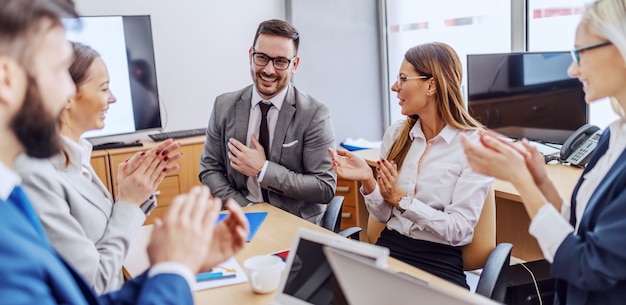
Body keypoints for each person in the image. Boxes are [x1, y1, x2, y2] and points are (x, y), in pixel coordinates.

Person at [0, 0, 249, 303]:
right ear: (7, 78)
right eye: (58, 70)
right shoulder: (21, 200)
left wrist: (180, 265)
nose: (66, 91)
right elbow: (94, 284)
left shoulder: (14, 199)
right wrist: (173, 267)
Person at [461, 0, 626, 303]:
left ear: (619, 45)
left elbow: (589, 265)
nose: (572, 68)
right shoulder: (611, 137)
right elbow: (580, 229)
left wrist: (520, 181)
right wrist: (541, 182)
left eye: (580, 53)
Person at [13, 42, 180, 293]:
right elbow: (93, 283)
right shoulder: (35, 175)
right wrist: (129, 204)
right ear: (67, 96)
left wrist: (130, 194)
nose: (112, 98)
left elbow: (98, 238)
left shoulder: (76, 154)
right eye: (104, 88)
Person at [328, 42, 493, 288]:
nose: (395, 87)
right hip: (390, 252)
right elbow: (383, 215)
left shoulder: (475, 146)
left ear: (431, 85)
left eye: (403, 79)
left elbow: (459, 230)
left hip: (439, 263)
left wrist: (402, 200)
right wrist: (369, 181)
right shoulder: (396, 135)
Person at [199, 19, 336, 225]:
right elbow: (209, 169)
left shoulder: (314, 114)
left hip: (294, 224)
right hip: (242, 218)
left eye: (280, 61)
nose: (269, 70)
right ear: (250, 56)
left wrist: (263, 170)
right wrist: (245, 210)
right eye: (262, 58)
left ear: (295, 65)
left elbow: (324, 187)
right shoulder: (223, 106)